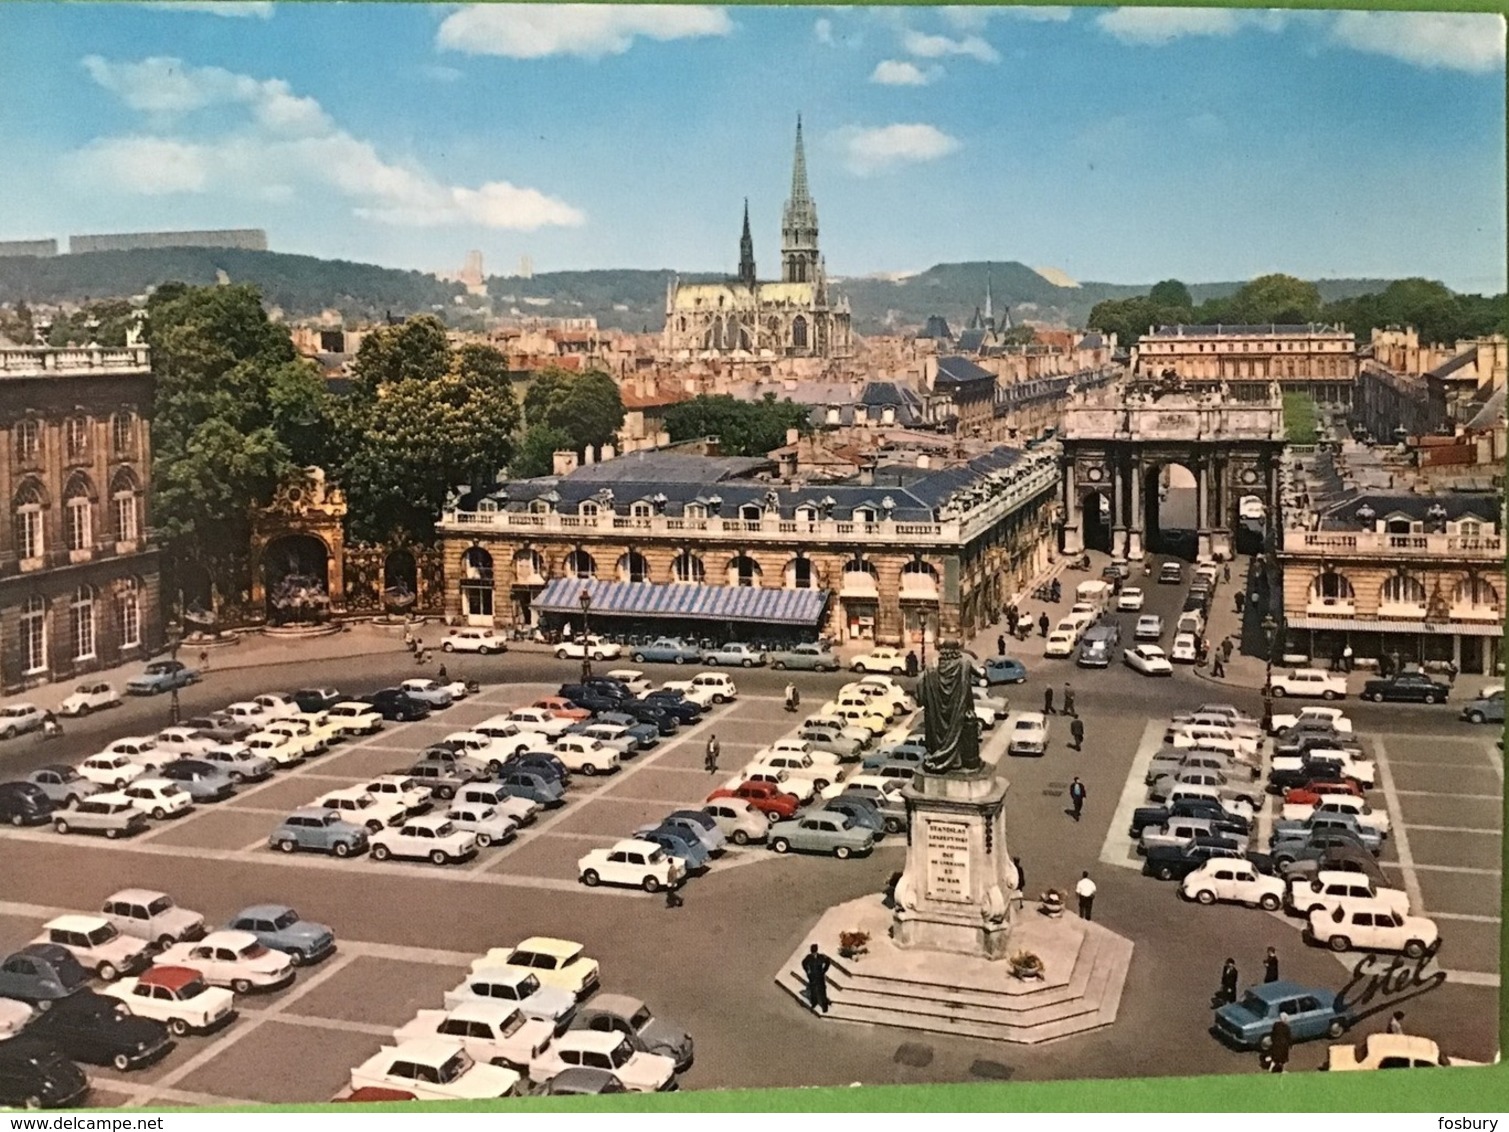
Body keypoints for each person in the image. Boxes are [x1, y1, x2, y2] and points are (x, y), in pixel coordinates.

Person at [802, 944, 832, 1014]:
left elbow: (828, 961)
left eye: (814, 952)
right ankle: (814, 1002)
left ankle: (825, 1007)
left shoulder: (820, 957)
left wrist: (824, 970)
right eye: (813, 952)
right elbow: (803, 963)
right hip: (812, 976)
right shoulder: (808, 957)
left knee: (822, 990)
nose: (813, 953)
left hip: (820, 976)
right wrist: (807, 971)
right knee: (813, 989)